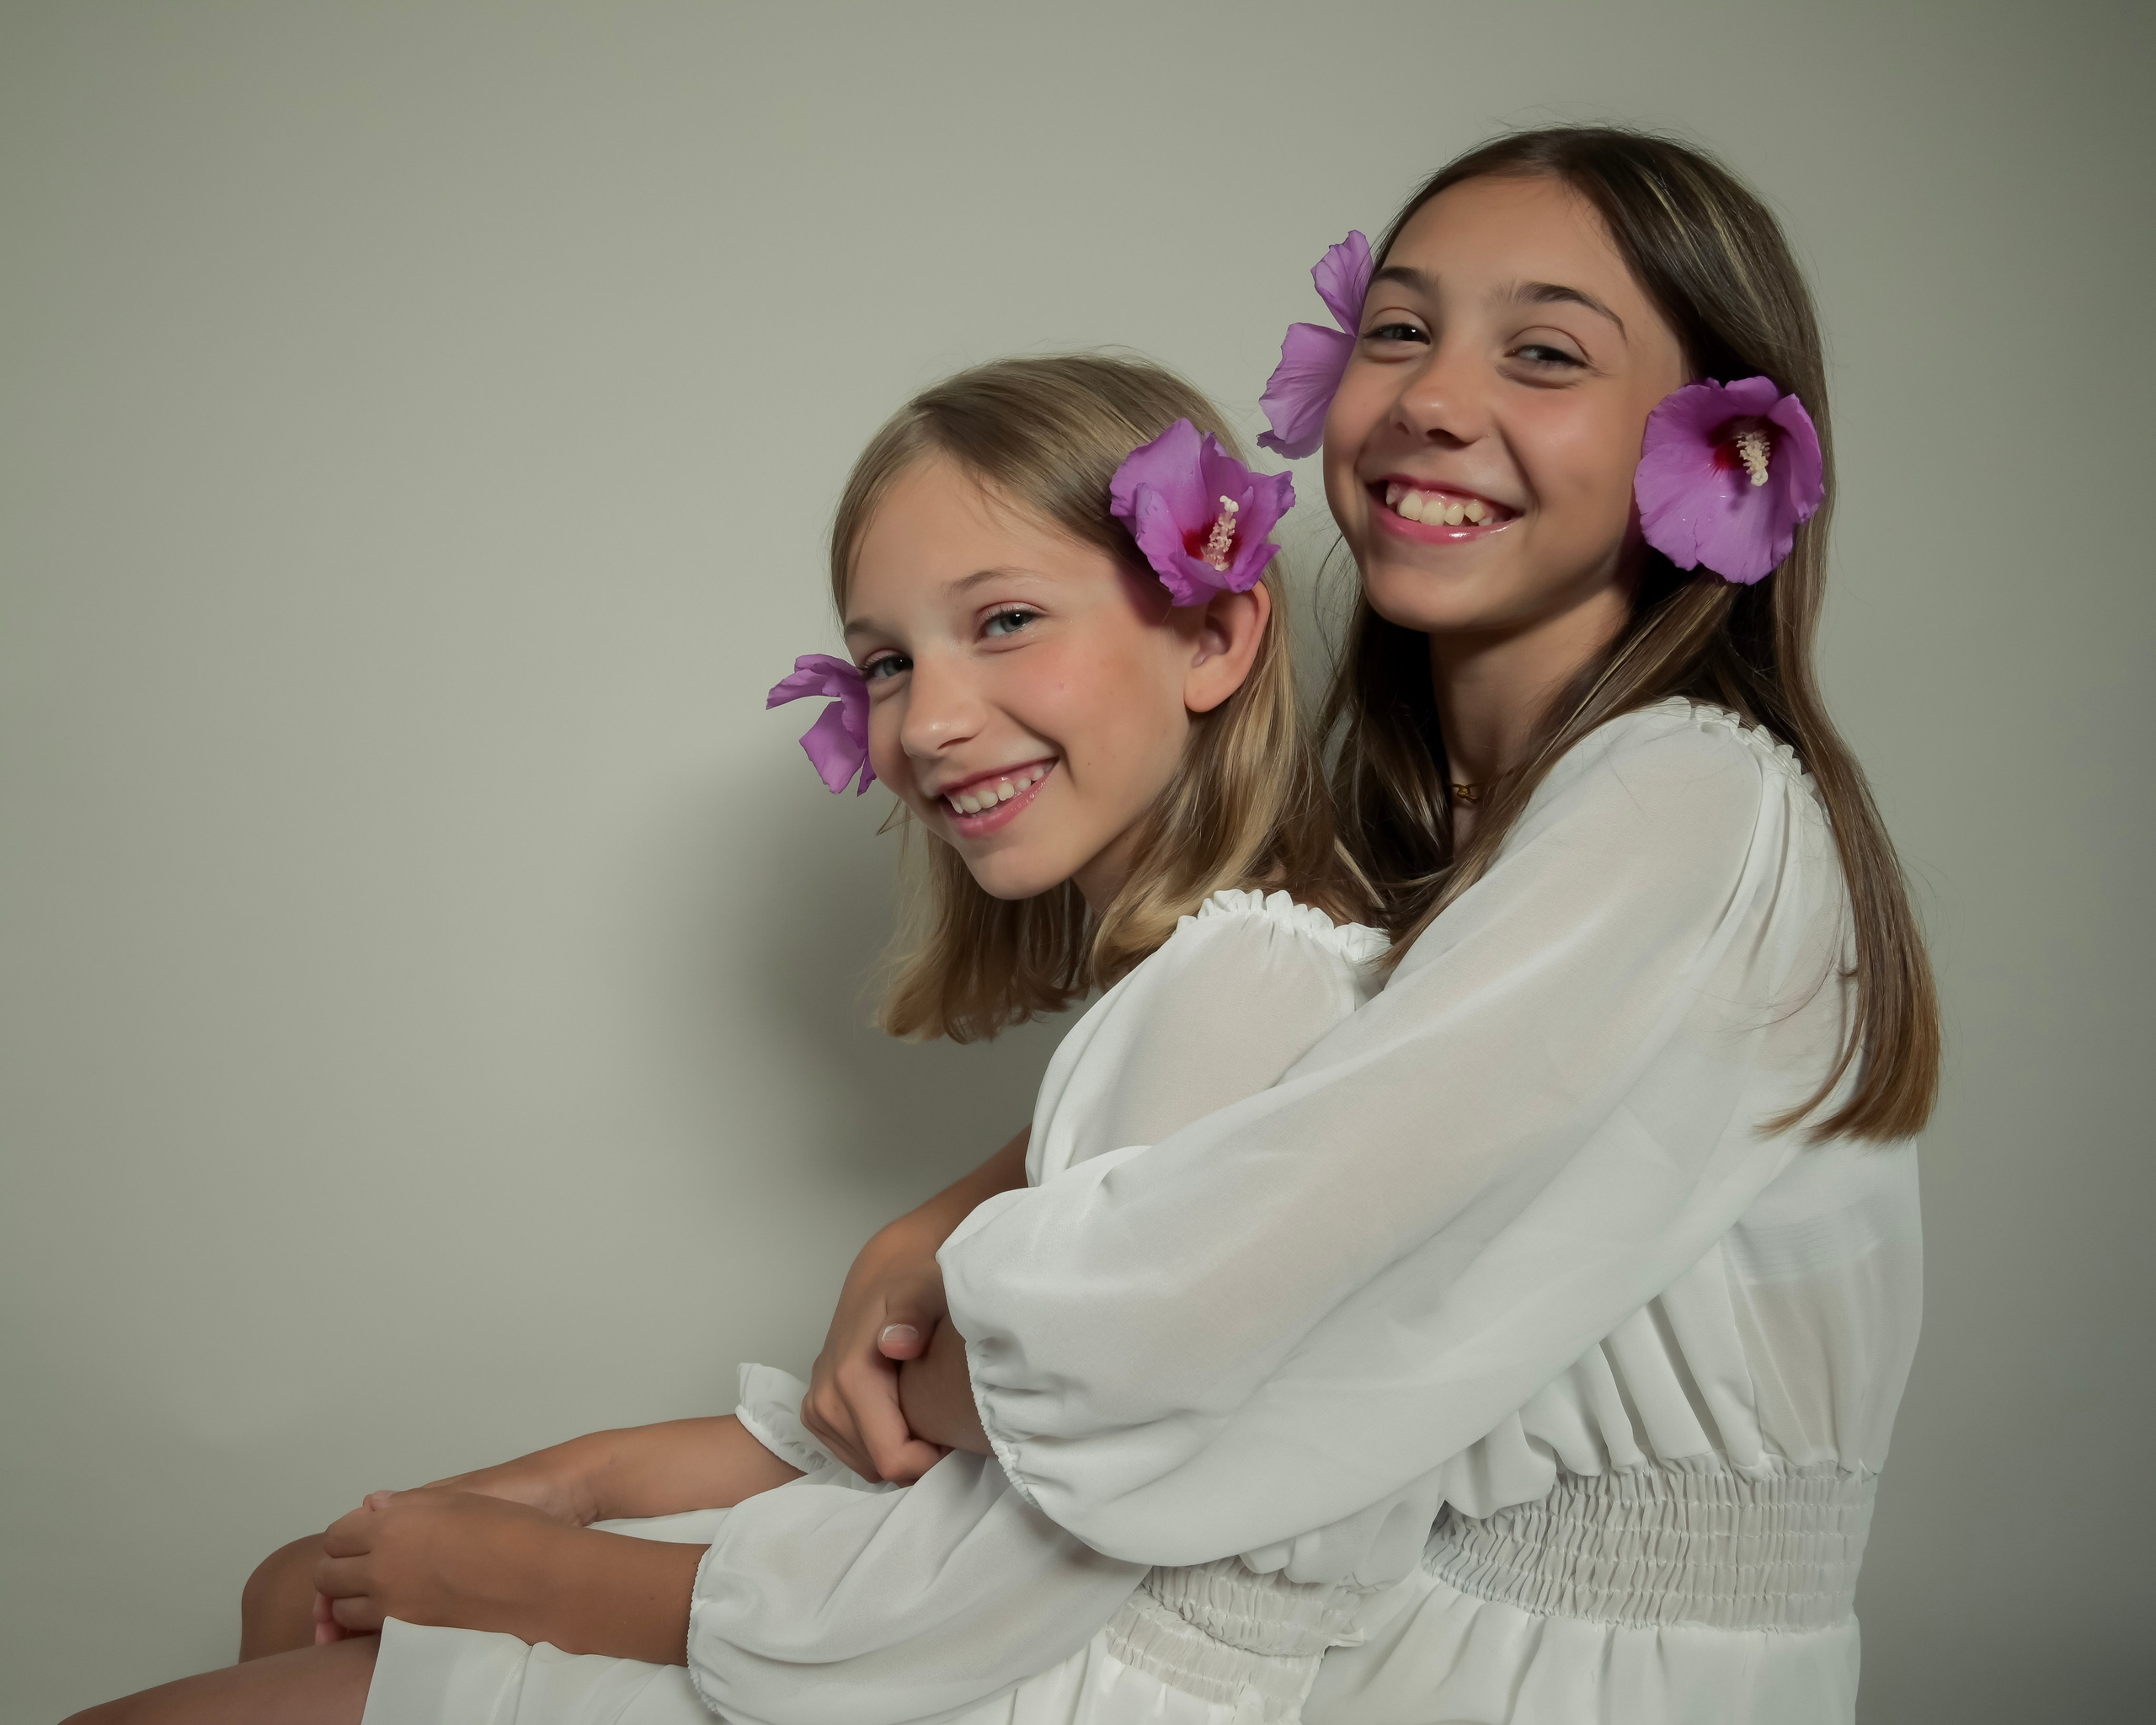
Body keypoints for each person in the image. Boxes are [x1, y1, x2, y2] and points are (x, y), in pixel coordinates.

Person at [803, 126, 1940, 1724]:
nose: (1430, 398)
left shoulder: (1684, 797)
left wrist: (930, 1324)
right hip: (1402, 1649)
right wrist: (927, 1220)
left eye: (1543, 353)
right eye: (1396, 329)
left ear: (1716, 442)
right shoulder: (1481, 841)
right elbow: (1327, 1144)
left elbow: (1198, 1310)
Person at [63, 355, 1386, 1724]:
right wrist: (574, 1483)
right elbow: (911, 1430)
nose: (926, 721)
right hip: (939, 1600)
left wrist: (524, 1569)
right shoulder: (1190, 990)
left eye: (1002, 622)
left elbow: (1043, 1521)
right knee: (296, 1587)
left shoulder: (1248, 990)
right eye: (886, 662)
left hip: (1033, 1677)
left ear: (1217, 639)